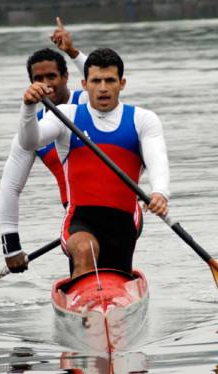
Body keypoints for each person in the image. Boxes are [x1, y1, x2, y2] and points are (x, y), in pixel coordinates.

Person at [16, 47, 170, 279]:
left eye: (110, 80)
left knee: (116, 274)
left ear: (122, 83)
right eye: (96, 81)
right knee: (84, 250)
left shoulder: (143, 120)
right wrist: (28, 107)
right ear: (85, 84)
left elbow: (157, 160)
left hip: (124, 221)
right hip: (79, 220)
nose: (103, 88)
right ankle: (84, 305)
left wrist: (160, 192)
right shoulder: (65, 115)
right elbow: (29, 141)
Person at [0, 19, 88, 273]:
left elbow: (101, 76)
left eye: (52, 76)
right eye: (38, 79)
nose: (47, 84)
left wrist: (72, 52)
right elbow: (10, 188)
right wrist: (11, 247)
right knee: (81, 258)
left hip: (115, 207)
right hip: (76, 216)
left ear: (66, 77)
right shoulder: (31, 132)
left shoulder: (90, 101)